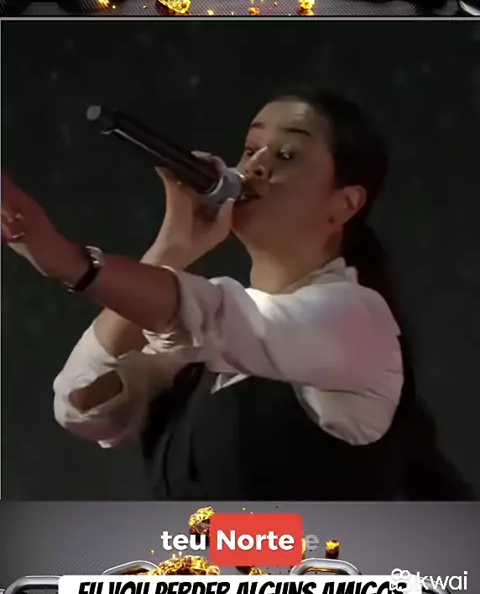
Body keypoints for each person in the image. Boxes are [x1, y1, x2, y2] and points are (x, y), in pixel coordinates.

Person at [1, 90, 475, 501]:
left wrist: (69, 261)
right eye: (250, 149)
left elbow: (221, 317)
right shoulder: (201, 350)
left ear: (344, 203)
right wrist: (171, 248)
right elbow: (79, 406)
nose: (255, 166)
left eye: (287, 155)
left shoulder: (355, 319)